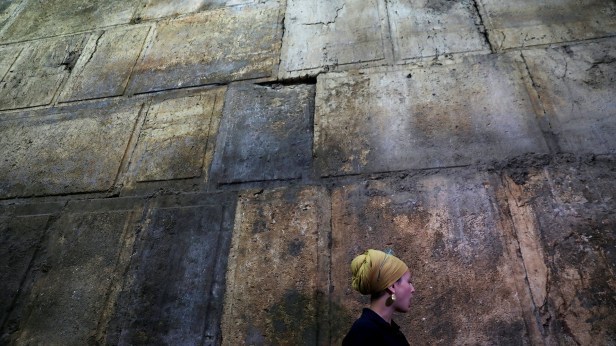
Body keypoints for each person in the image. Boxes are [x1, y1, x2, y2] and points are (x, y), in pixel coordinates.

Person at [342, 249, 415, 346]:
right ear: (392, 286)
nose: (412, 289)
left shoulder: (390, 331)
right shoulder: (363, 333)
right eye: (408, 282)